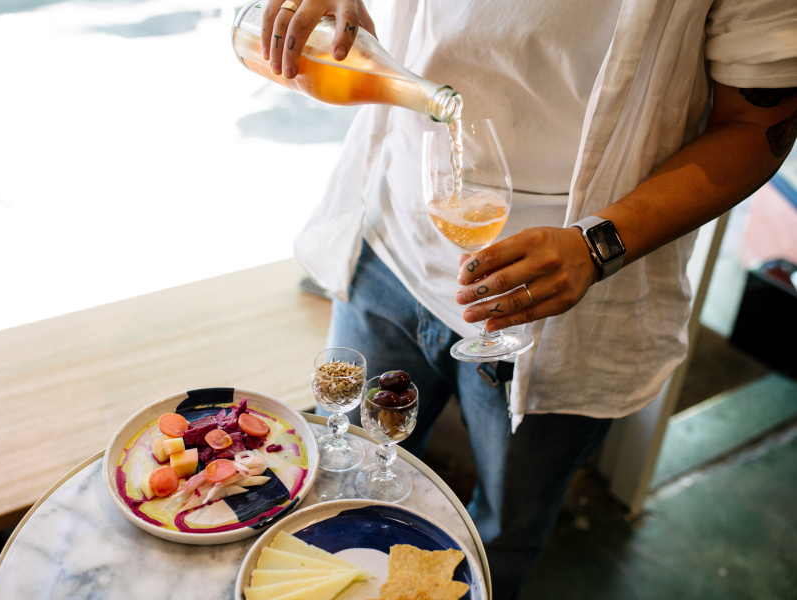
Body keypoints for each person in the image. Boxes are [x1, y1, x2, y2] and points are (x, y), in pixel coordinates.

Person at [259, 0, 797, 596]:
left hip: (560, 314)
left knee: (499, 537)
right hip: (390, 246)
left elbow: (760, 125)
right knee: (339, 477)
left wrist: (597, 246)